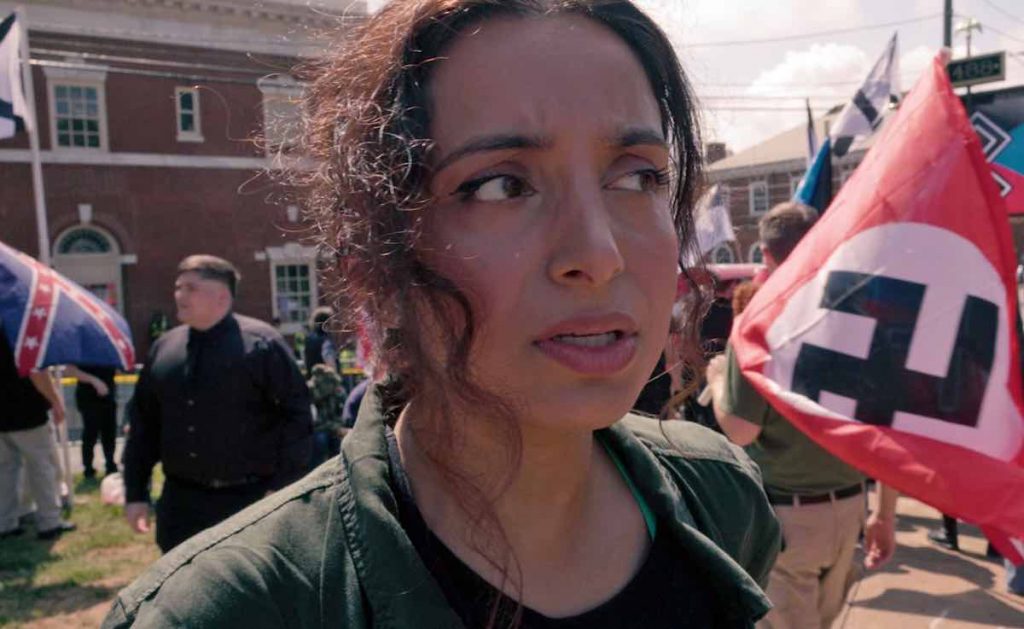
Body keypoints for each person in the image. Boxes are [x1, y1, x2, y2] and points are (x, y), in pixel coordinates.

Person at [103, 2, 781, 627]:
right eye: (501, 185)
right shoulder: (224, 611)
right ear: (376, 257)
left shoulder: (721, 495)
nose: (599, 254)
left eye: (639, 177)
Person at [705, 201, 899, 629]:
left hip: (788, 517)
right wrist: (885, 513)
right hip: (850, 505)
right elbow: (888, 426)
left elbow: (740, 430)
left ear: (766, 254)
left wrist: (718, 381)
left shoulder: (760, 319)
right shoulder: (863, 316)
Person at [120, 255, 313, 553]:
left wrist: (282, 489)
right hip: (181, 504)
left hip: (250, 501)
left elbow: (298, 420)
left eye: (191, 288)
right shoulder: (164, 349)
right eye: (178, 287)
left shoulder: (262, 345)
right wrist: (135, 493)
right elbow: (144, 426)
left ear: (222, 296)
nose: (179, 295)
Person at [0, 330, 76, 540]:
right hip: (27, 412)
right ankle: (49, 522)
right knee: (42, 468)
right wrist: (55, 401)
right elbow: (37, 373)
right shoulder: (22, 330)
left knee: (6, 471)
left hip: (3, 416)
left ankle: (6, 523)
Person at [66, 364, 119, 478]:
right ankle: (88, 468)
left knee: (109, 431)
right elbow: (70, 370)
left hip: (108, 393)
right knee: (91, 432)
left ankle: (110, 464)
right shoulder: (82, 353)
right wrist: (94, 381)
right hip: (88, 396)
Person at [303, 306, 337, 373]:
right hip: (326, 378)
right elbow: (331, 363)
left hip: (312, 377)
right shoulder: (326, 341)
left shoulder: (308, 339)